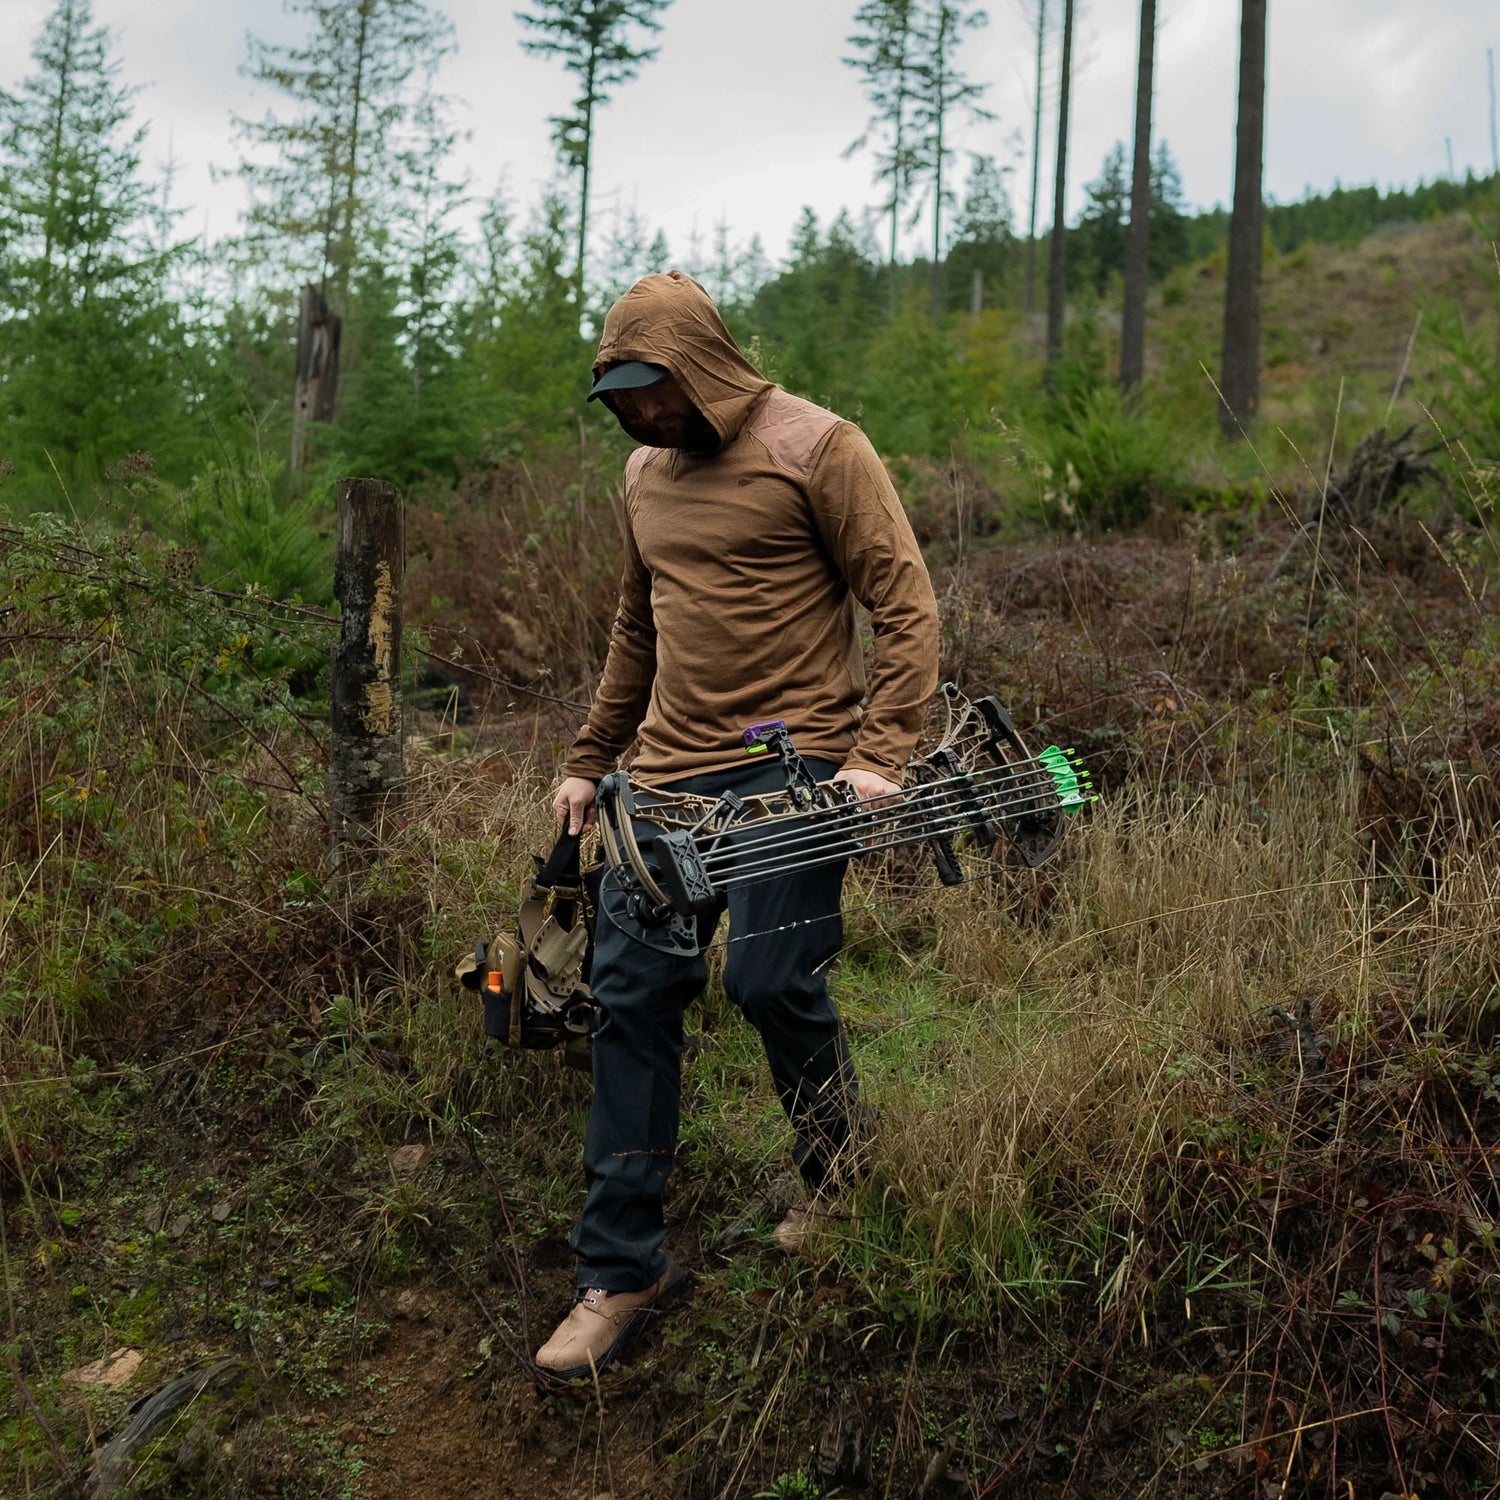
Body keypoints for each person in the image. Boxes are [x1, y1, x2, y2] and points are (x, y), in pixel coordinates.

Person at [534, 271, 939, 1379]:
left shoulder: (819, 447)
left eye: (654, 389)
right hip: (660, 782)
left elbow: (903, 602)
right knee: (629, 1002)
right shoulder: (640, 475)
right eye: (621, 396)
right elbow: (637, 622)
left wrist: (877, 755)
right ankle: (619, 1271)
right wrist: (588, 760)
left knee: (769, 982)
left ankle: (844, 1180)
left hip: (794, 769)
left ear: (702, 366)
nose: (642, 412)